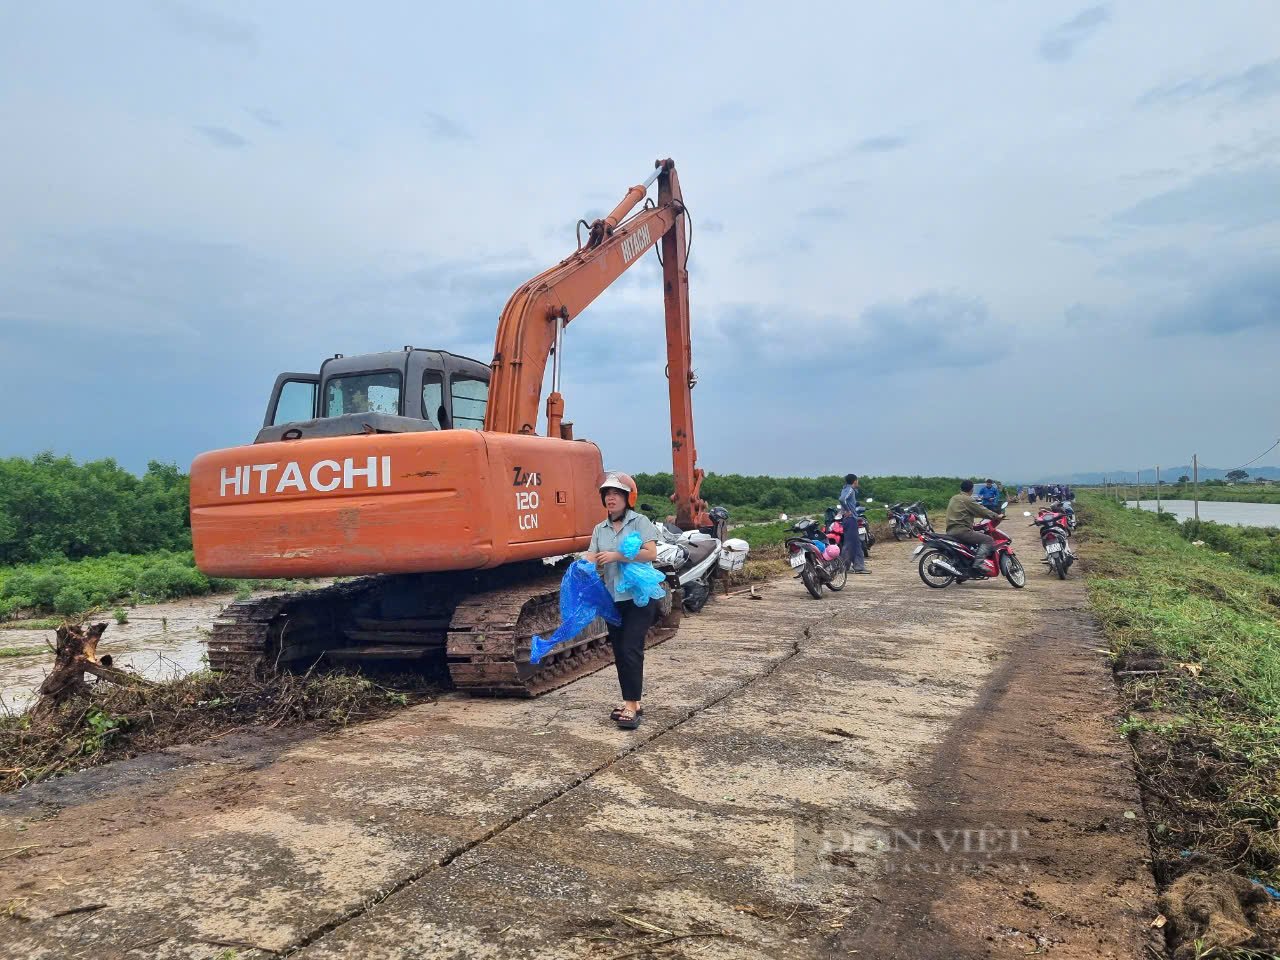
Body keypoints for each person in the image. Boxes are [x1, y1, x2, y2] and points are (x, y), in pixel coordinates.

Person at [584, 472, 660, 730]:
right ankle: (633, 703)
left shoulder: (640, 522)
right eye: (607, 494)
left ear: (628, 498)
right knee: (619, 651)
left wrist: (617, 555)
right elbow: (592, 556)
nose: (611, 498)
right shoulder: (599, 529)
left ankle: (630, 705)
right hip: (613, 598)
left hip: (639, 597)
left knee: (630, 647)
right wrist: (579, 565)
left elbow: (651, 552)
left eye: (616, 494)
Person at [946, 479, 1004, 573]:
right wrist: (997, 516)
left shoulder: (954, 498)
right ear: (971, 489)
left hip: (950, 530)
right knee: (988, 540)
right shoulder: (968, 499)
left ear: (961, 488)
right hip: (962, 531)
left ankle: (963, 570)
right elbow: (982, 510)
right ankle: (978, 564)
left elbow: (968, 512)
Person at [838, 473, 869, 574]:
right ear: (855, 481)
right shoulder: (849, 489)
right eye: (857, 480)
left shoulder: (846, 489)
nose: (858, 482)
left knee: (854, 544)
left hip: (849, 520)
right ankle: (848, 567)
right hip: (850, 520)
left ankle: (851, 566)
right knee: (852, 544)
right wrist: (847, 510)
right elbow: (842, 499)